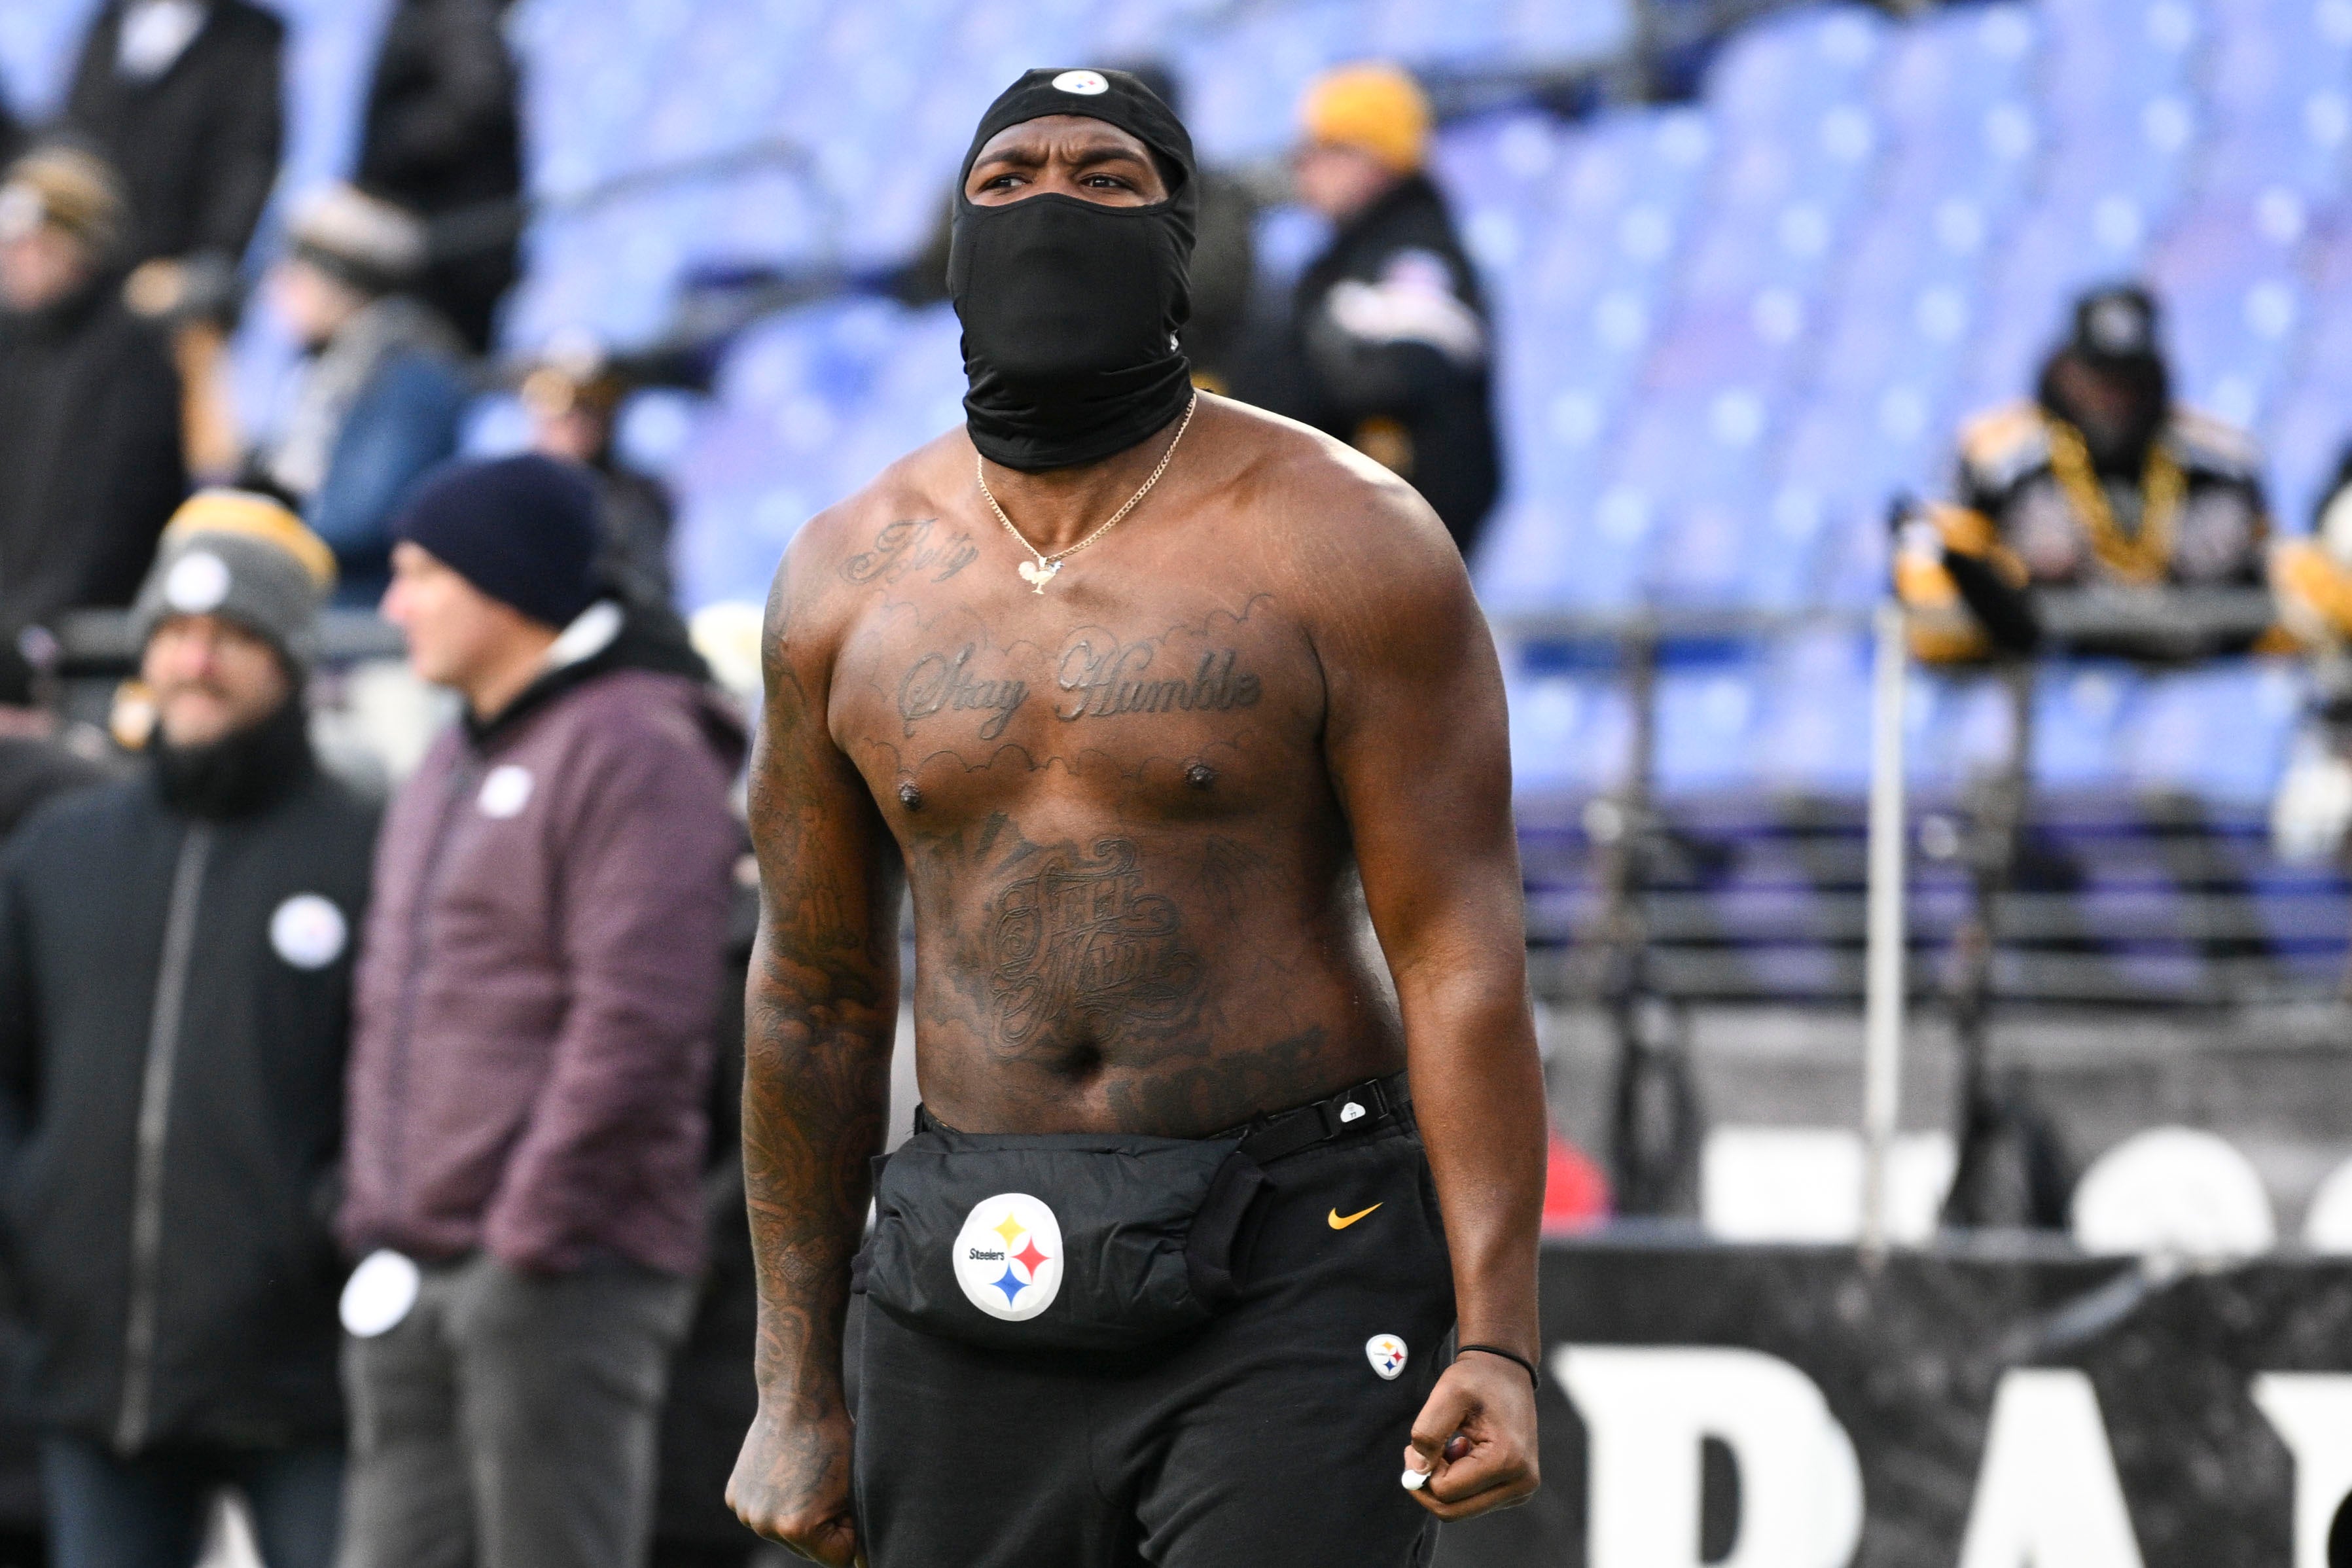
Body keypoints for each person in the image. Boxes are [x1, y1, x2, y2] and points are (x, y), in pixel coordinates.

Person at [726, 69, 1543, 1568]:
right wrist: (792, 1387)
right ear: (953, 241)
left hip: (1294, 1251)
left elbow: (1459, 954)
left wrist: (1497, 1335)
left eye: (1108, 182)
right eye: (1007, 180)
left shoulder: (1347, 543)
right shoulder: (846, 578)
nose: (1051, 208)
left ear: (1182, 242)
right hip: (971, 1247)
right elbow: (815, 992)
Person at [337, 455, 745, 1568]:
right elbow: (393, 1005)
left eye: (419, 572)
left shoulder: (636, 747)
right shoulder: (450, 752)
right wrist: (380, 1207)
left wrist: (526, 1237)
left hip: (562, 1270)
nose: (391, 603)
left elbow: (638, 1024)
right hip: (418, 1257)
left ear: (502, 585)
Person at [0, 491, 372, 1568]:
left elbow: (403, 1085)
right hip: (95, 1373)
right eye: (173, 634)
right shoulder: (58, 854)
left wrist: (322, 1236)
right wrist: (36, 1222)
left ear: (292, 660)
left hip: (305, 1381)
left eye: (232, 637)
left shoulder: (367, 851)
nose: (195, 662)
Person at [1900, 284, 2273, 661]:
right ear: (2066, 371)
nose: (2113, 398)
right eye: (2100, 379)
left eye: (2130, 381)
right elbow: (1936, 596)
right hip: (2034, 672)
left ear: (2157, 377)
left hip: (2200, 674)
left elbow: (2278, 594)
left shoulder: (2223, 462)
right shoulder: (1995, 458)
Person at [1241, 62, 1501, 559]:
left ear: (1371, 157)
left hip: (1404, 544)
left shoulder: (1417, 251)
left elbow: (1407, 368)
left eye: (1319, 151)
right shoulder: (1352, 254)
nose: (1303, 169)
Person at [0, 145, 187, 704]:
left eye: (27, 240)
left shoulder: (133, 359)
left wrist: (25, 628)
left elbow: (113, 525)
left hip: (82, 663)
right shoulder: (18, 350)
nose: (11, 256)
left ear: (77, 244)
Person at [257, 183, 469, 607]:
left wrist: (262, 530)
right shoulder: (325, 368)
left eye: (298, 271)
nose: (279, 287)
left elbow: (357, 518)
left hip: (360, 613)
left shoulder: (409, 373)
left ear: (342, 285)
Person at [355, 0, 525, 354]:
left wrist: (391, 153)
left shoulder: (452, 12)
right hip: (434, 244)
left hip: (448, 251)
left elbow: (478, 97)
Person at [522, 336, 677, 611]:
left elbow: (649, 591)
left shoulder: (636, 497)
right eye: (561, 413)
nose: (575, 424)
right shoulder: (509, 493)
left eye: (589, 409)